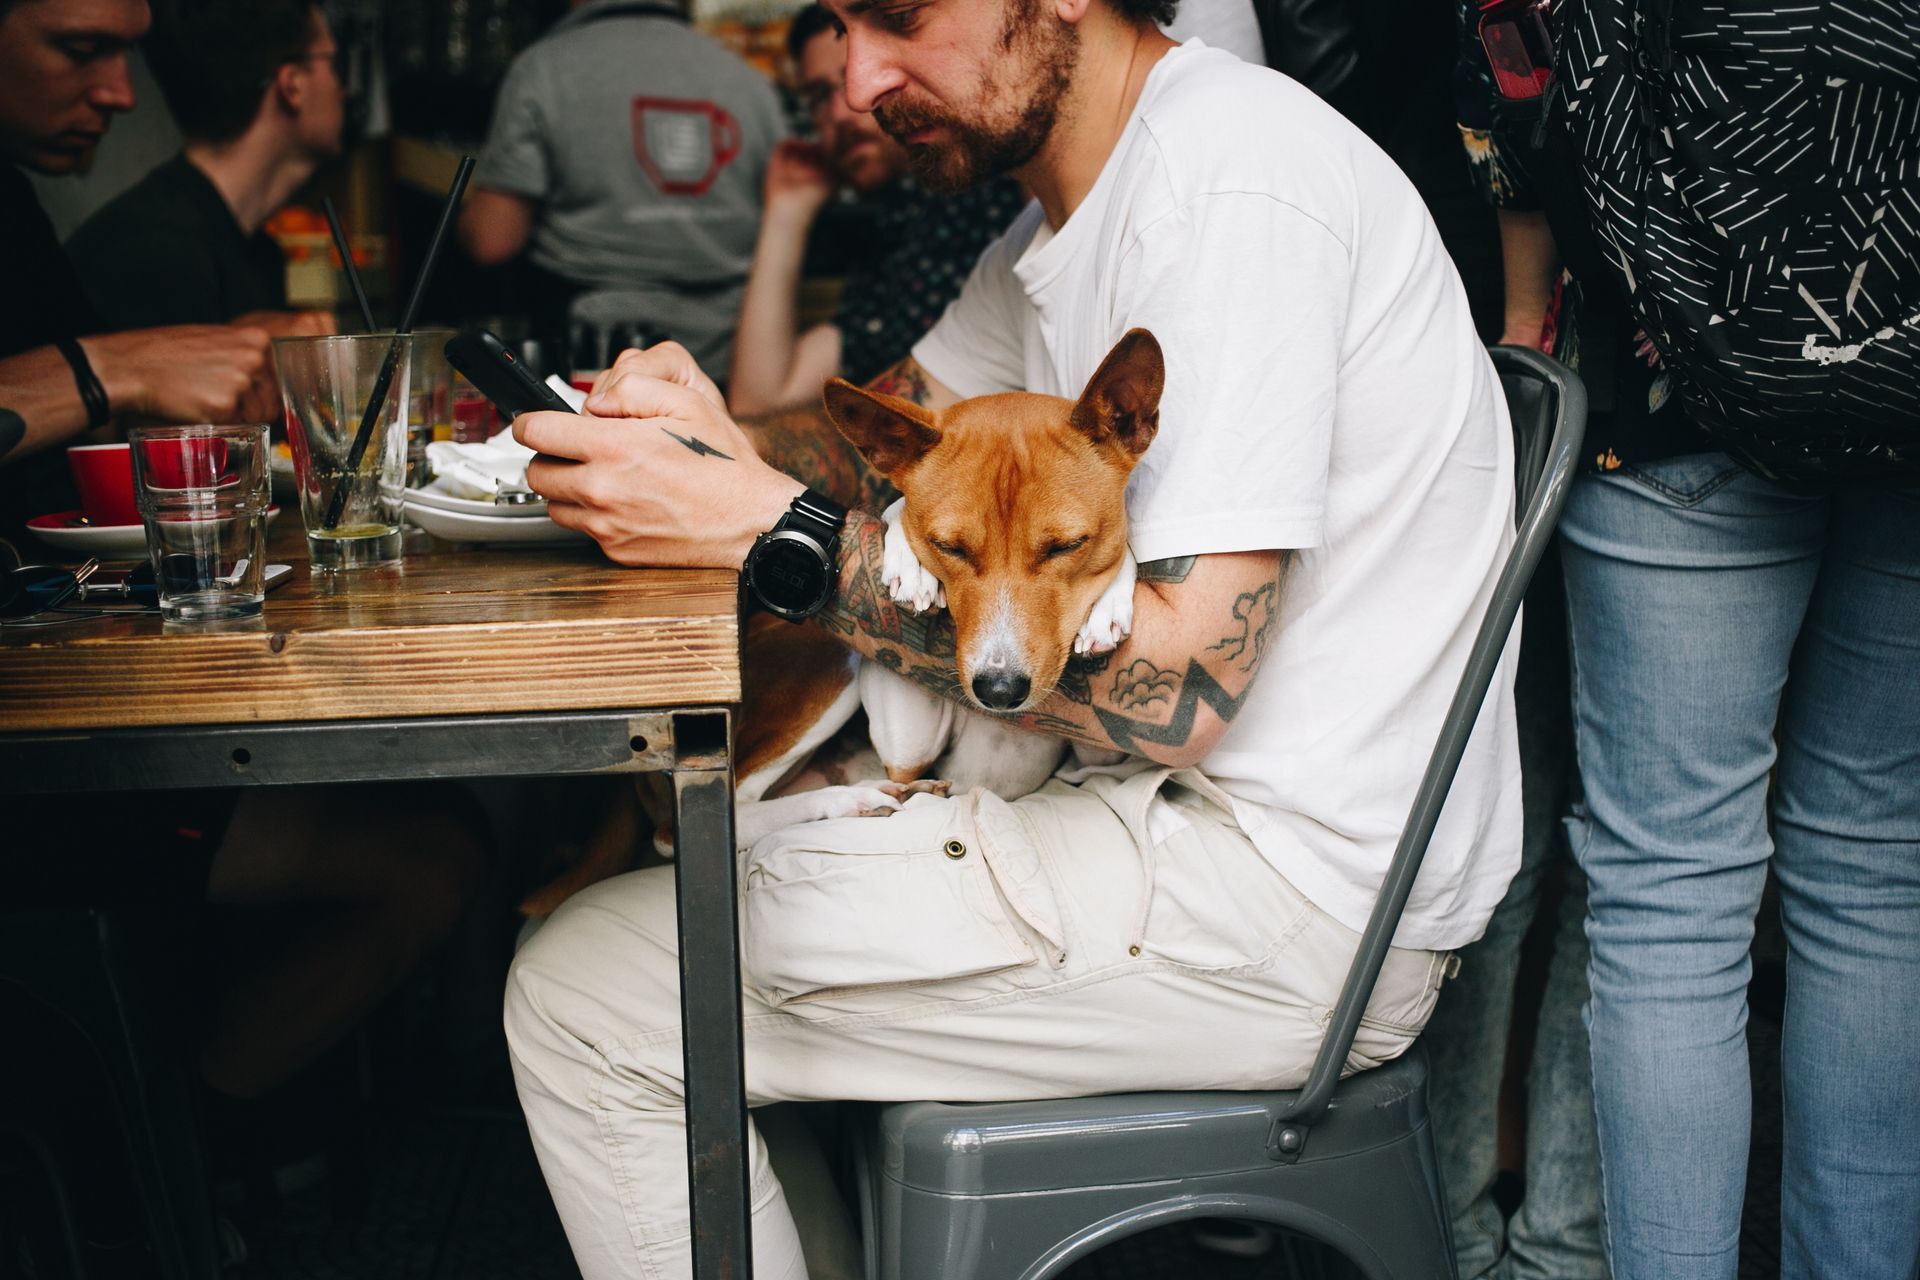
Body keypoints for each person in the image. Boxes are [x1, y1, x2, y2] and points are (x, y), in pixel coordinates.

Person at [500, 0, 1523, 1274]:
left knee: (582, 994)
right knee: (640, 912)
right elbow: (891, 447)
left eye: (901, 16)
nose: (864, 77)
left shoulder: (1231, 197)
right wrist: (712, 445)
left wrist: (773, 527)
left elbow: (1178, 686)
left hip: (1275, 898)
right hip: (1159, 826)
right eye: (841, 26)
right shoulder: (1062, 218)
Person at [2, 0, 485, 1110]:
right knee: (438, 848)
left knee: (453, 802)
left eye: (128, 52)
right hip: (46, 776)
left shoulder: (27, 207)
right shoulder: (148, 242)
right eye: (82, 49)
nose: (123, 92)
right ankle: (164, 1163)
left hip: (77, 708)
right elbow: (111, 467)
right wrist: (104, 367)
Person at [1515, 2, 1920, 1277]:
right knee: (1876, 873)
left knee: (1671, 897)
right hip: (1908, 391)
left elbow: (1518, 71)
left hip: (1670, 394)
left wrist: (1529, 317)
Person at [456, 0, 786, 384]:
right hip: (733, 364)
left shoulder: (545, 68)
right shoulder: (750, 82)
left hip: (594, 364)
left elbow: (492, 241)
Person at [726, 4, 1024, 413]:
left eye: (849, 73)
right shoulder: (896, 223)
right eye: (818, 95)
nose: (844, 108)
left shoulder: (994, 190)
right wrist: (787, 211)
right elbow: (761, 400)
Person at [66, 0, 343, 334]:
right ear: (293, 85)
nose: (343, 89)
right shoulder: (156, 254)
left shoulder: (256, 251)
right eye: (333, 63)